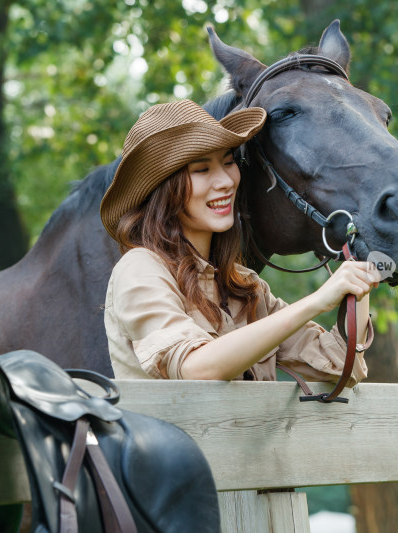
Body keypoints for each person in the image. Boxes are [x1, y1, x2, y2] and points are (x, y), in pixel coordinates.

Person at [100, 99, 379, 383]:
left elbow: (344, 366)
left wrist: (358, 271)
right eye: (201, 169)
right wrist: (318, 300)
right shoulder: (140, 268)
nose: (225, 181)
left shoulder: (246, 287)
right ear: (164, 190)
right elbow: (196, 368)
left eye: (228, 162)